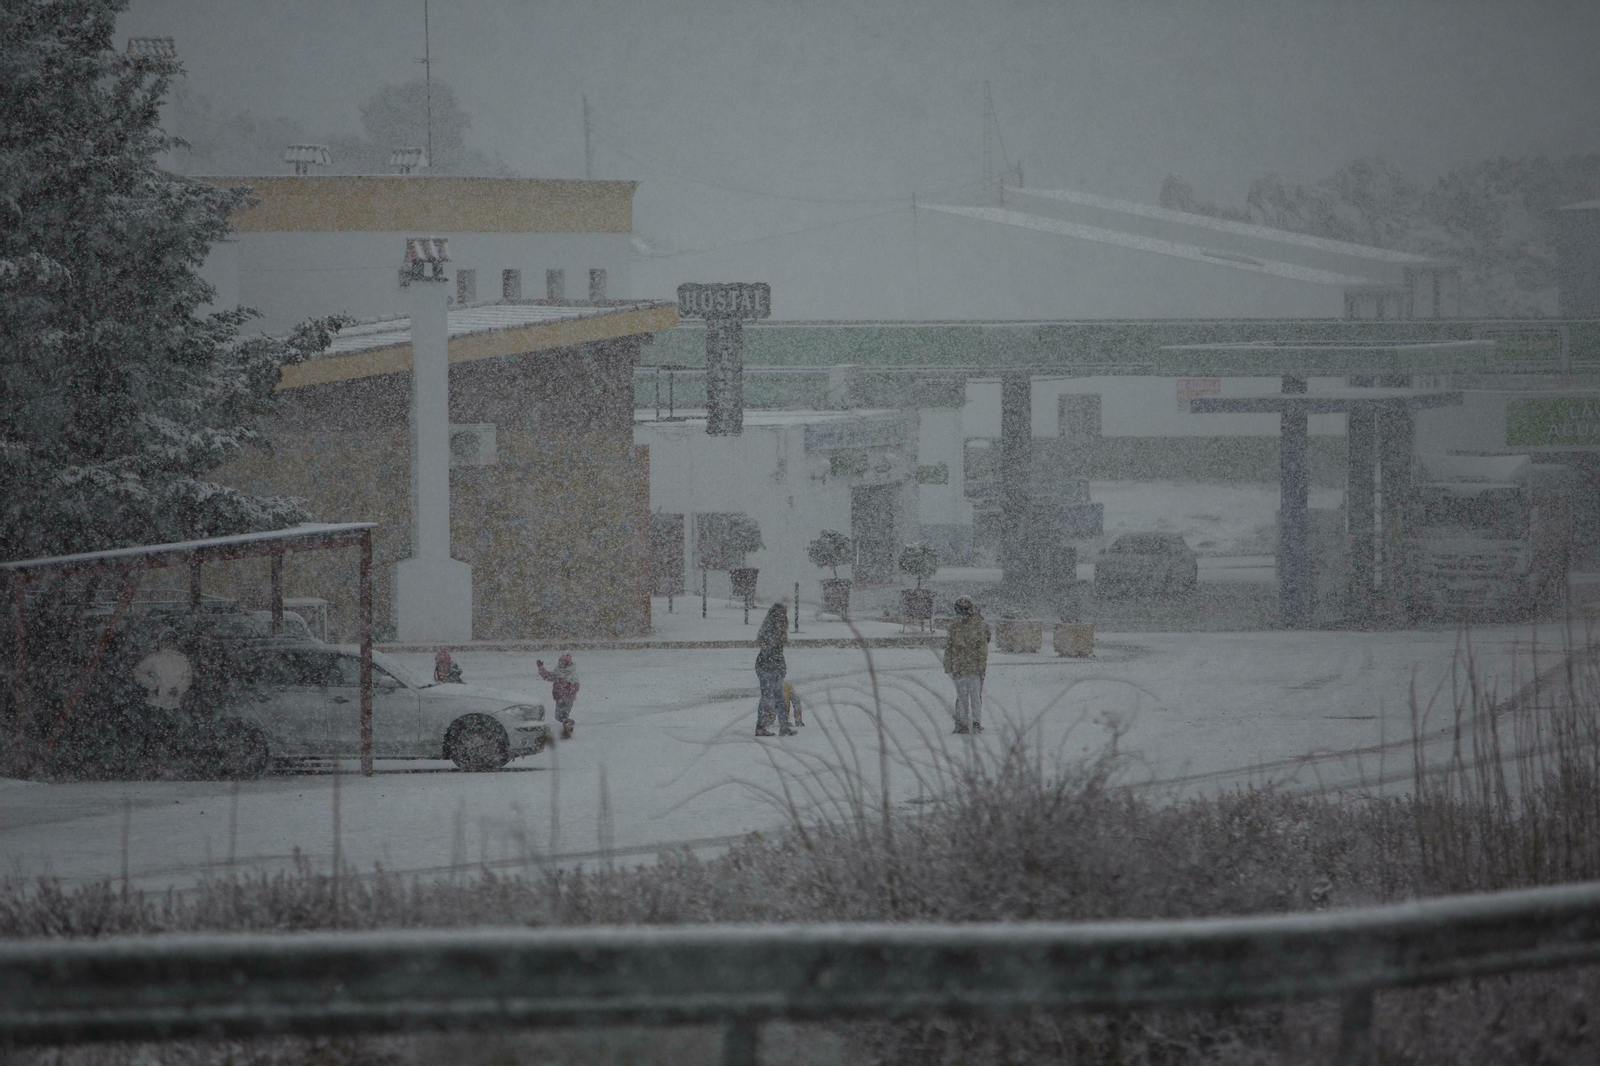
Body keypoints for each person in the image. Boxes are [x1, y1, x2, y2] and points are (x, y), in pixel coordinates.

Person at [942, 596, 990, 734]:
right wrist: (948, 665)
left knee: (974, 696)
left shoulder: (977, 624)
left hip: (971, 667)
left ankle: (975, 721)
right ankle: (964, 722)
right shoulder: (956, 625)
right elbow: (949, 646)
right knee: (964, 696)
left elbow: (982, 647)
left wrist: (981, 665)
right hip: (962, 667)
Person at [754, 601, 794, 737]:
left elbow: (777, 652)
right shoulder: (772, 630)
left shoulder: (774, 629)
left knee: (778, 697)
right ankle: (761, 726)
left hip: (770, 666)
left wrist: (781, 668)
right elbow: (772, 652)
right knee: (769, 697)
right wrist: (779, 667)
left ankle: (782, 726)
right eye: (781, 614)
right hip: (766, 667)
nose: (782, 617)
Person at [134, 630, 192, 711]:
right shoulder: (154, 658)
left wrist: (179, 688)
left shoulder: (182, 659)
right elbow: (139, 672)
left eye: (172, 641)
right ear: (161, 642)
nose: (169, 644)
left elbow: (187, 677)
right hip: (154, 703)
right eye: (167, 641)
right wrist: (151, 684)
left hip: (173, 704)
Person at [537, 653, 579, 740]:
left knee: (562, 716)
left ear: (567, 664)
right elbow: (548, 676)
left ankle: (568, 730)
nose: (560, 664)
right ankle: (568, 726)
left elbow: (576, 687)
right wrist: (541, 668)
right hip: (559, 698)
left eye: (563, 663)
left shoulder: (572, 674)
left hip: (568, 699)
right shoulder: (558, 672)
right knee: (558, 716)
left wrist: (569, 687)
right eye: (560, 662)